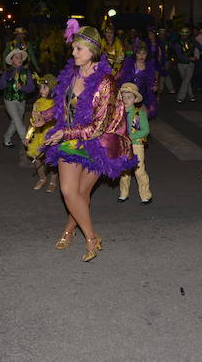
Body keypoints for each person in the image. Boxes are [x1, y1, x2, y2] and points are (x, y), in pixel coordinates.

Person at [37, 19, 135, 262]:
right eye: (73, 48)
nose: (73, 52)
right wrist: (46, 116)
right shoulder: (72, 72)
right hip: (70, 140)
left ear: (93, 51)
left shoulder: (106, 83)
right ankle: (92, 238)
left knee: (81, 192)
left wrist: (66, 133)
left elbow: (99, 126)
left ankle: (69, 230)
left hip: (98, 143)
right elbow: (63, 104)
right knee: (69, 191)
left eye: (78, 49)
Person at [117, 83, 152, 204]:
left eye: (129, 97)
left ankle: (145, 195)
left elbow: (146, 130)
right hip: (122, 146)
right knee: (124, 171)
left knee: (139, 170)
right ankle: (123, 193)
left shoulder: (139, 113)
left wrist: (131, 137)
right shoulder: (117, 114)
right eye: (123, 97)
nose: (126, 100)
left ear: (135, 99)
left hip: (136, 145)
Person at [0, 48, 35, 148]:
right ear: (11, 60)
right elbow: (1, 86)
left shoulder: (26, 72)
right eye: (17, 58)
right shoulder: (7, 73)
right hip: (9, 100)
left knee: (16, 121)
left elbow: (32, 87)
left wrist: (23, 88)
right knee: (17, 120)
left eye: (20, 57)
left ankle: (7, 137)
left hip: (21, 100)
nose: (19, 59)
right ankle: (27, 141)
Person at [26, 74, 58, 192]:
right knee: (37, 158)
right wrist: (28, 136)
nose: (41, 90)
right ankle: (42, 178)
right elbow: (33, 122)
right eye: (40, 87)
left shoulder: (56, 103)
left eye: (44, 87)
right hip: (39, 135)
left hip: (52, 135)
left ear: (52, 88)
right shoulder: (37, 103)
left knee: (51, 159)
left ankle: (53, 182)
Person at [117, 41, 158, 118]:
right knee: (128, 116)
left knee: (141, 117)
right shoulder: (130, 64)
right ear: (135, 54)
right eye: (139, 53)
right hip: (130, 94)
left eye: (144, 53)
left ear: (147, 54)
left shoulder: (148, 66)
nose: (141, 56)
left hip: (143, 96)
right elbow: (122, 78)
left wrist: (154, 86)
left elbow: (152, 81)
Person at [173, 26, 198, 103]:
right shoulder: (177, 43)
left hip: (190, 64)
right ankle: (191, 95)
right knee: (186, 81)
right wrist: (190, 58)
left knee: (186, 81)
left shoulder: (191, 41)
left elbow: (198, 45)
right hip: (181, 64)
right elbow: (179, 56)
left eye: (186, 34)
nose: (185, 36)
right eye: (183, 34)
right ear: (181, 34)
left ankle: (180, 97)